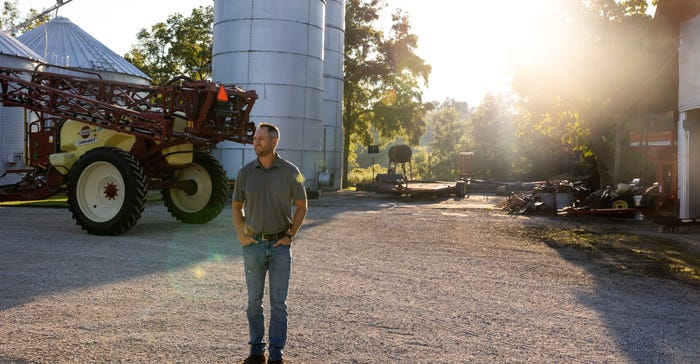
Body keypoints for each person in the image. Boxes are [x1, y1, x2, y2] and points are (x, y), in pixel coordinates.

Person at [232, 123, 308, 364]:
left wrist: (290, 235)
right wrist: (242, 236)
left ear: (275, 142)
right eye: (255, 138)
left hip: (279, 248)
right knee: (253, 303)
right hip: (253, 245)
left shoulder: (291, 171)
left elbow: (302, 205)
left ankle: (276, 355)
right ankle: (256, 352)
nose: (256, 142)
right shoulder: (245, 172)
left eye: (261, 139)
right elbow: (236, 206)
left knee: (278, 304)